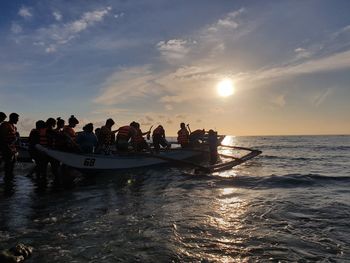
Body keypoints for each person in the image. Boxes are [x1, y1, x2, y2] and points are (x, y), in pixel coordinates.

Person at [0, 113, 19, 180]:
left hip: (13, 149)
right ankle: (7, 179)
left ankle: (10, 178)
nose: (18, 120)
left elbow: (14, 138)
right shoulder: (5, 125)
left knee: (12, 165)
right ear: (12, 118)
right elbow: (2, 137)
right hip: (6, 148)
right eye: (16, 118)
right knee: (8, 164)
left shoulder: (14, 127)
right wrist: (5, 147)